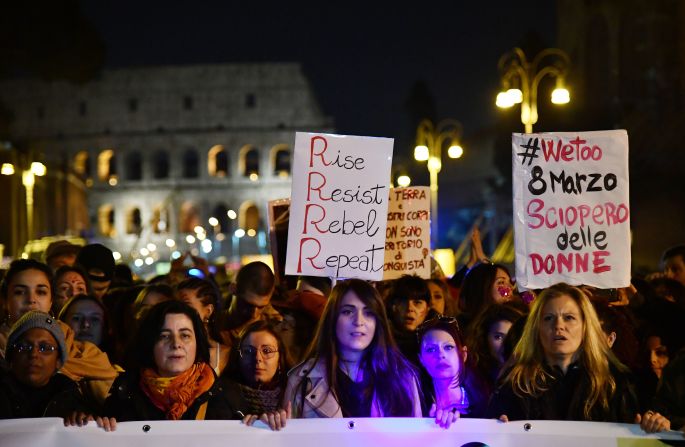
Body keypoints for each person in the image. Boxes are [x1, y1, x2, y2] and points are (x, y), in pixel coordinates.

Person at [487, 283, 638, 422]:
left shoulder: (613, 382)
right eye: (548, 318)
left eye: (569, 318)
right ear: (537, 328)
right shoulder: (517, 383)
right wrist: (498, 426)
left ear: (585, 326)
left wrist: (652, 426)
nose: (558, 325)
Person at [283, 279, 422, 418]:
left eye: (368, 313)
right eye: (348, 312)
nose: (358, 321)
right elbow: (287, 437)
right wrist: (272, 425)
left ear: (378, 322)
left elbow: (416, 437)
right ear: (332, 318)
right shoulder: (301, 380)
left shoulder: (403, 376)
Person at [97, 300, 245, 428]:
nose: (176, 344)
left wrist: (262, 424)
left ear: (197, 343)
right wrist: (92, 425)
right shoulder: (123, 395)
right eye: (165, 336)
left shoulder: (228, 396)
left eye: (185, 335)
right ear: (150, 343)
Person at [0, 259, 118, 407]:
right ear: (5, 300)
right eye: (20, 292)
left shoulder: (86, 354)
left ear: (51, 301)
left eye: (41, 292)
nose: (31, 300)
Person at [0, 311, 86, 419]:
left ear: (58, 361)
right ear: (11, 357)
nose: (34, 354)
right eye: (24, 346)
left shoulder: (70, 397)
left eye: (45, 348)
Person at [416, 315, 488, 428]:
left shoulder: (485, 404)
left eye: (448, 347)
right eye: (431, 349)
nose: (440, 355)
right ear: (421, 359)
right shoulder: (416, 404)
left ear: (463, 354)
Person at [222, 320, 293, 430]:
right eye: (248, 351)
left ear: (280, 359)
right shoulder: (219, 396)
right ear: (237, 358)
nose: (257, 358)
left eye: (266, 350)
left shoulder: (295, 396)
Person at [465, 303, 525, 398]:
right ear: (484, 338)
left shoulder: (532, 379)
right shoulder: (473, 379)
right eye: (498, 337)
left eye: (512, 335)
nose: (506, 343)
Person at [177, 277, 230, 375]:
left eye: (186, 305)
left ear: (208, 311)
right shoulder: (170, 349)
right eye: (175, 305)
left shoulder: (225, 355)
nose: (178, 311)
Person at [386, 275, 435, 365]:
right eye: (403, 302)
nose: (409, 308)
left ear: (428, 308)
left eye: (417, 303)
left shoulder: (438, 340)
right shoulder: (380, 340)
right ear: (393, 306)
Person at [458, 262, 516, 329]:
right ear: (483, 287)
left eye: (510, 282)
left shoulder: (516, 317)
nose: (510, 287)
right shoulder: (460, 327)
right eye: (501, 282)